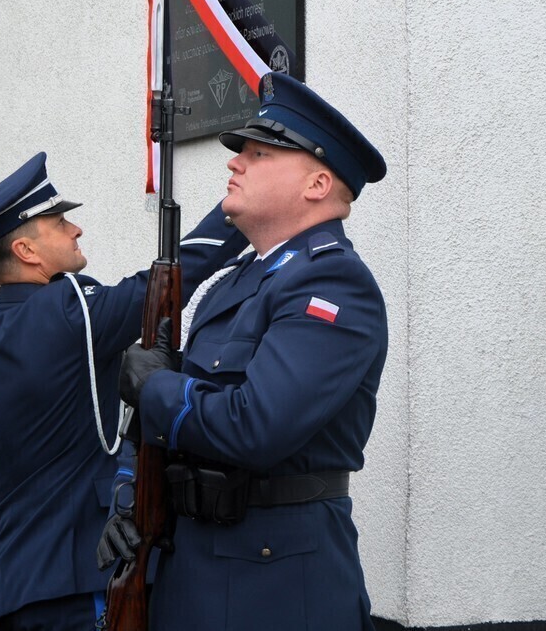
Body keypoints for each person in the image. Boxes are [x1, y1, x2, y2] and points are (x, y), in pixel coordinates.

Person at [106, 71, 389, 629]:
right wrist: (127, 491)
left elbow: (255, 426)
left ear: (316, 186)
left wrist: (155, 384)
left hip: (275, 581)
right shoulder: (240, 281)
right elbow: (171, 417)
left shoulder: (331, 285)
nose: (234, 163)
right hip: (192, 566)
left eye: (258, 154)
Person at [0, 152, 246, 631]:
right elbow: (169, 278)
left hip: (9, 589)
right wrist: (241, 207)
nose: (75, 230)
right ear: (26, 251)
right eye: (59, 222)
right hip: (84, 581)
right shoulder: (71, 310)